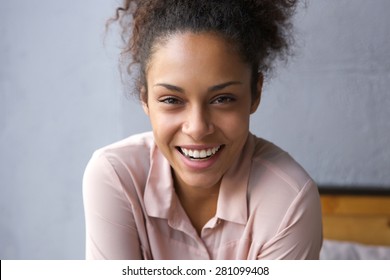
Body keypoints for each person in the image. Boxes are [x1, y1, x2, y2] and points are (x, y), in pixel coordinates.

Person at [83, 0, 323, 260]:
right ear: (145, 99)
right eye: (171, 100)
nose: (197, 128)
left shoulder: (288, 201)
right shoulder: (117, 177)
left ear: (255, 93)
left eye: (222, 99)